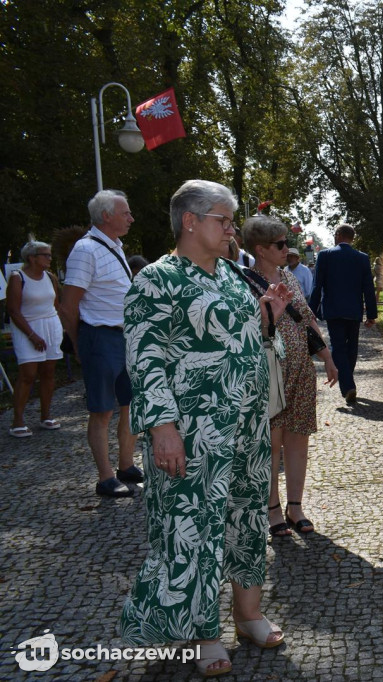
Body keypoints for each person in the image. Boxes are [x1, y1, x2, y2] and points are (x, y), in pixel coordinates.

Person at [119, 180, 291, 677]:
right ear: (190, 221)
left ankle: (248, 614)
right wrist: (162, 428)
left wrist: (267, 321)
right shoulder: (157, 280)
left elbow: (239, 343)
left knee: (246, 519)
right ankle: (201, 633)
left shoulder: (233, 278)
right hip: (192, 434)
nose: (231, 228)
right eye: (224, 219)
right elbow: (145, 359)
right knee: (193, 530)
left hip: (246, 428)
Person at [242, 216, 338, 536]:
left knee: (298, 438)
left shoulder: (289, 276)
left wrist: (326, 356)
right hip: (268, 370)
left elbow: (307, 318)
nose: (287, 248)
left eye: (286, 242)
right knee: (271, 441)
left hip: (300, 368)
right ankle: (271, 508)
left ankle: (295, 506)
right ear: (260, 249)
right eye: (280, 244)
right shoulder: (244, 282)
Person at [61, 189, 141, 497]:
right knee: (101, 410)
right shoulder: (85, 250)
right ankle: (105, 477)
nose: (131, 218)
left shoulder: (114, 246)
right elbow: (68, 305)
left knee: (129, 405)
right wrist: (79, 343)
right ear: (106, 216)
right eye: (126, 213)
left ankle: (125, 465)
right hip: (100, 336)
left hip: (121, 336)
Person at [309, 223, 377, 405]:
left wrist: (310, 311)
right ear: (351, 238)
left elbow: (317, 286)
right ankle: (348, 382)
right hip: (354, 310)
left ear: (338, 235)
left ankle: (347, 386)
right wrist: (371, 313)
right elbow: (368, 288)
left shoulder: (325, 255)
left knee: (338, 347)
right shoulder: (362, 258)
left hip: (333, 310)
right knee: (352, 346)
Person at [6, 241, 63, 437]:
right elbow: (13, 310)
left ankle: (45, 415)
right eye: (45, 255)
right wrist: (32, 335)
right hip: (27, 327)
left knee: (48, 372)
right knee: (28, 374)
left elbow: (55, 304)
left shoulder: (50, 277)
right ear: (32, 257)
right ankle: (18, 421)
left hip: (50, 325)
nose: (49, 258)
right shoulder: (17, 278)